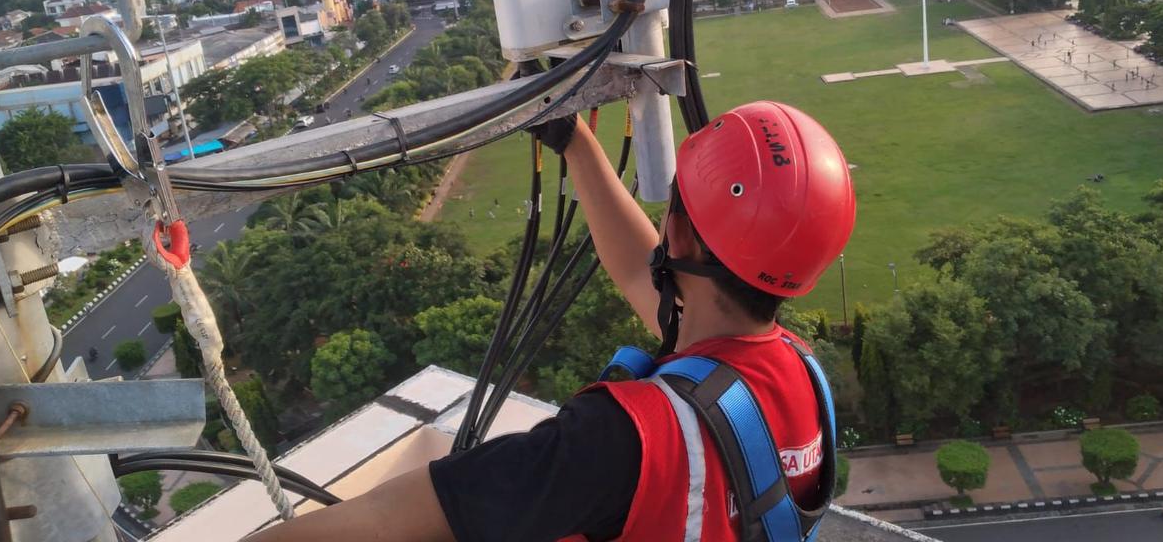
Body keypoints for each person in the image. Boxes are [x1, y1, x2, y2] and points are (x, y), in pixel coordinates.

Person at [248, 101, 855, 542]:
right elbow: (650, 279)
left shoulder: (614, 441)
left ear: (676, 233)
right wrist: (575, 142)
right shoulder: (797, 377)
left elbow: (386, 522)